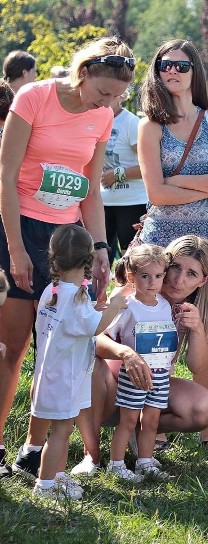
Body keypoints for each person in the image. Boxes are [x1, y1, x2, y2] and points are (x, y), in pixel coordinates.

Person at [0, 36, 135, 480]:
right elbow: (5, 174)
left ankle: (33, 449)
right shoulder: (34, 97)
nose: (109, 103)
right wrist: (16, 249)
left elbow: (91, 190)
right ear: (83, 73)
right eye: (103, 92)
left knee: (55, 350)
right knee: (12, 348)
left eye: (117, 97)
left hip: (68, 240)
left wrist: (99, 248)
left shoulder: (102, 117)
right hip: (18, 227)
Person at [92, 235, 208, 458]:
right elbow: (94, 341)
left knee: (203, 408)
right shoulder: (132, 295)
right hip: (113, 385)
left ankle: (140, 432)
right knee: (94, 367)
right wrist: (125, 353)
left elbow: (197, 366)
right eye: (175, 268)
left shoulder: (194, 308)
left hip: (153, 385)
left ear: (203, 281)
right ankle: (90, 453)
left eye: (191, 274)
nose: (179, 280)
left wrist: (198, 329)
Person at [30, 225, 127, 500]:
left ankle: (57, 476)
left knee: (63, 427)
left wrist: (94, 311)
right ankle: (45, 485)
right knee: (61, 431)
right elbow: (94, 328)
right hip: (65, 378)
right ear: (89, 257)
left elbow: (75, 323)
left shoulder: (53, 290)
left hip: (50, 374)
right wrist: (117, 305)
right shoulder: (74, 298)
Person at [137, 39, 208, 254]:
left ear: (195, 72)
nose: (173, 71)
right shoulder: (150, 125)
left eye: (182, 67)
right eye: (166, 65)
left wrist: (176, 182)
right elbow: (157, 195)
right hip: (162, 241)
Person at [103, 244, 173, 481]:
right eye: (145, 276)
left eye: (158, 276)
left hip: (160, 373)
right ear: (132, 277)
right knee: (129, 419)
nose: (152, 282)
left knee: (152, 419)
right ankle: (116, 464)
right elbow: (108, 334)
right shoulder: (128, 306)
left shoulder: (164, 304)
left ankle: (145, 461)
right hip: (134, 374)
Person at [101, 93, 146, 264]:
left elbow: (150, 166)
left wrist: (117, 175)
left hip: (132, 203)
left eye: (110, 93)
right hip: (102, 203)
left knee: (130, 263)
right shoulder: (93, 118)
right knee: (97, 262)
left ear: (120, 95)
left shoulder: (131, 122)